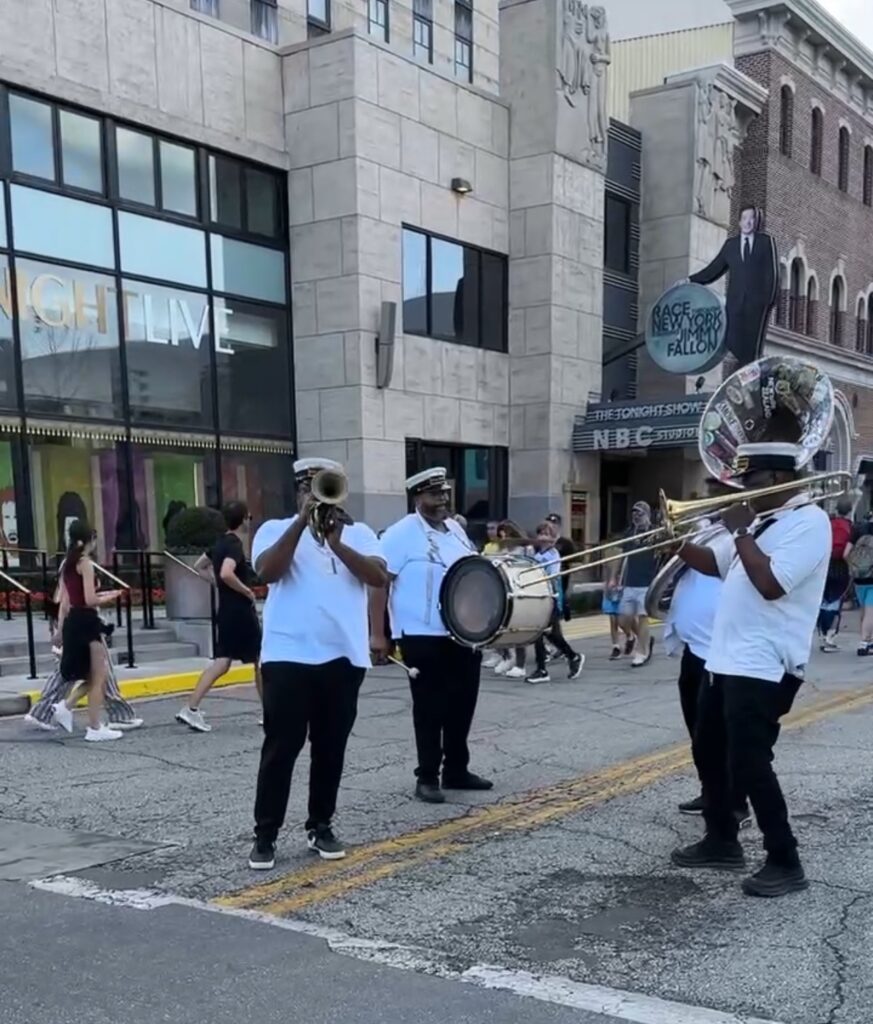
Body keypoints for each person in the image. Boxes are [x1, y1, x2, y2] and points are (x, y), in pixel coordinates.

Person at [671, 441, 830, 897]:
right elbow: (715, 563)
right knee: (709, 750)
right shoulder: (763, 521)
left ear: (781, 481)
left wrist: (740, 533)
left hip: (765, 664)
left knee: (750, 762)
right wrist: (674, 538)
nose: (743, 493)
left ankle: (785, 858)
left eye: (752, 483)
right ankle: (721, 839)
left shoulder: (809, 522)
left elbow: (772, 584)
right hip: (725, 660)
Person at [246, 458, 386, 870]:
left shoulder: (357, 533)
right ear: (296, 491)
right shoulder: (274, 529)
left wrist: (337, 543)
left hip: (343, 656)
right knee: (281, 748)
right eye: (307, 487)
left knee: (330, 749)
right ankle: (265, 834)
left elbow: (379, 577)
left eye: (321, 486)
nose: (315, 494)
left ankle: (320, 824)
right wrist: (300, 525)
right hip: (288, 656)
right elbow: (267, 572)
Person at [369, 467, 492, 805]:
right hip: (421, 635)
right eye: (434, 495)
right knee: (429, 708)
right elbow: (379, 582)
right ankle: (427, 776)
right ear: (417, 497)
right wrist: (378, 634)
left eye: (444, 494)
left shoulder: (455, 530)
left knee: (462, 704)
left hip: (463, 632)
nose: (442, 501)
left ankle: (456, 769)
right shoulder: (399, 534)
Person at [662, 482, 749, 826]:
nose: (709, 499)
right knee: (699, 729)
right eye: (709, 491)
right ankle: (711, 791)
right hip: (694, 646)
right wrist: (673, 543)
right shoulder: (709, 532)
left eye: (717, 492)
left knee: (722, 731)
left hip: (721, 646)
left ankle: (735, 802)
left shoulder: (745, 532)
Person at [176, 501, 262, 733]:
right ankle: (269, 710)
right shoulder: (234, 544)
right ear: (243, 519)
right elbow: (226, 572)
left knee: (223, 662)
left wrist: (218, 584)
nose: (249, 521)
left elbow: (199, 566)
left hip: (225, 609)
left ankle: (191, 708)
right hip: (241, 611)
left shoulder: (219, 542)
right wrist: (246, 590)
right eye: (249, 517)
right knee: (260, 659)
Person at [50, 521, 126, 741]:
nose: (95, 544)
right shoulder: (85, 564)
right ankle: (93, 727)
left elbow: (66, 601)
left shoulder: (67, 564)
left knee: (93, 675)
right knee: (99, 675)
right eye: (94, 539)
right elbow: (90, 599)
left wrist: (60, 630)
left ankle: (67, 706)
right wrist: (110, 596)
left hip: (74, 621)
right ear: (87, 540)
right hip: (87, 622)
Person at [687, 205, 778, 370]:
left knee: (752, 351)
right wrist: (690, 280)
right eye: (744, 218)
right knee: (734, 343)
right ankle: (743, 378)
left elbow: (773, 274)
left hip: (756, 306)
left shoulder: (765, 243)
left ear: (757, 221)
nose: (748, 222)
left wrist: (767, 301)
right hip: (735, 304)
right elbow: (713, 269)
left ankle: (752, 383)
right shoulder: (731, 245)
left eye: (752, 218)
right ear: (739, 222)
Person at [525, 522, 585, 685]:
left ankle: (545, 668)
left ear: (552, 538)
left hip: (549, 598)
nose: (543, 537)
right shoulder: (535, 554)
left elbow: (552, 575)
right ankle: (570, 657)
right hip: (537, 597)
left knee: (546, 633)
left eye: (547, 534)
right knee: (547, 634)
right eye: (540, 534)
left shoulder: (553, 555)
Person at [613, 501, 658, 667]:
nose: (636, 516)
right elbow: (621, 556)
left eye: (639, 513)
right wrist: (614, 577)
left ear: (647, 514)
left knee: (643, 617)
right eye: (634, 513)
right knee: (623, 618)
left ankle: (642, 652)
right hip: (629, 583)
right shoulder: (629, 533)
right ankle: (638, 638)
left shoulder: (654, 532)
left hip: (647, 583)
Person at [491, 520, 532, 679]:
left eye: (506, 533)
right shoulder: (501, 549)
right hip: (503, 590)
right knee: (501, 627)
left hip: (520, 590)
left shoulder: (525, 548)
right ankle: (507, 656)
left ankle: (520, 665)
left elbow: (529, 566)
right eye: (501, 534)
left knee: (519, 628)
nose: (503, 537)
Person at [817, 497, 853, 652]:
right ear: (850, 511)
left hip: (825, 565)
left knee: (823, 600)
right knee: (836, 601)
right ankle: (830, 637)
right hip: (841, 567)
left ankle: (822, 633)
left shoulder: (828, 524)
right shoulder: (851, 527)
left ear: (837, 509)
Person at [843, 510, 873, 655]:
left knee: (864, 610)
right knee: (871, 612)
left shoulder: (858, 529)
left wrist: (855, 568)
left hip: (859, 578)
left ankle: (869, 641)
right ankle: (864, 643)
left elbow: (845, 554)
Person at [545, 512, 576, 622]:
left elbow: (572, 563)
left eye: (554, 524)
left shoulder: (565, 543)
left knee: (559, 601)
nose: (552, 526)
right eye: (549, 523)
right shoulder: (543, 541)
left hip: (562, 575)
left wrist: (570, 586)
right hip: (546, 575)